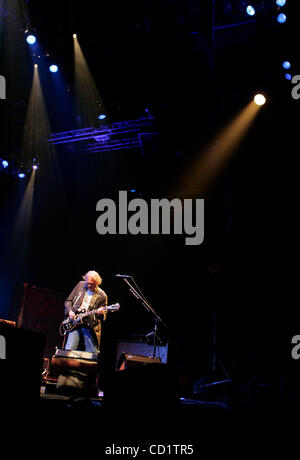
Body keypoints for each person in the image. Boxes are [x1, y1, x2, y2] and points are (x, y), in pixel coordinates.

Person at [63, 270, 108, 353]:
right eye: (88, 283)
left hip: (89, 325)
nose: (89, 285)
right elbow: (68, 301)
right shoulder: (81, 284)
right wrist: (70, 311)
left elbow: (102, 317)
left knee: (92, 353)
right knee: (69, 350)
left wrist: (100, 313)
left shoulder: (102, 295)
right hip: (75, 322)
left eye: (92, 284)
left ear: (97, 283)